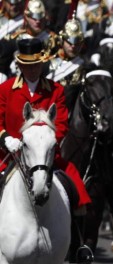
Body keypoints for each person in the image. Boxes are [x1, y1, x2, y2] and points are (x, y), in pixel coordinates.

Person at [0, 38, 91, 211]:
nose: (32, 69)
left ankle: (78, 233)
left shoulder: (55, 90)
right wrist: (6, 140)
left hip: (46, 156)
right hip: (9, 155)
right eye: (27, 65)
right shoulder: (5, 89)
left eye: (36, 64)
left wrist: (43, 144)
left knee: (76, 190)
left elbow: (62, 123)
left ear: (42, 65)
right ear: (19, 65)